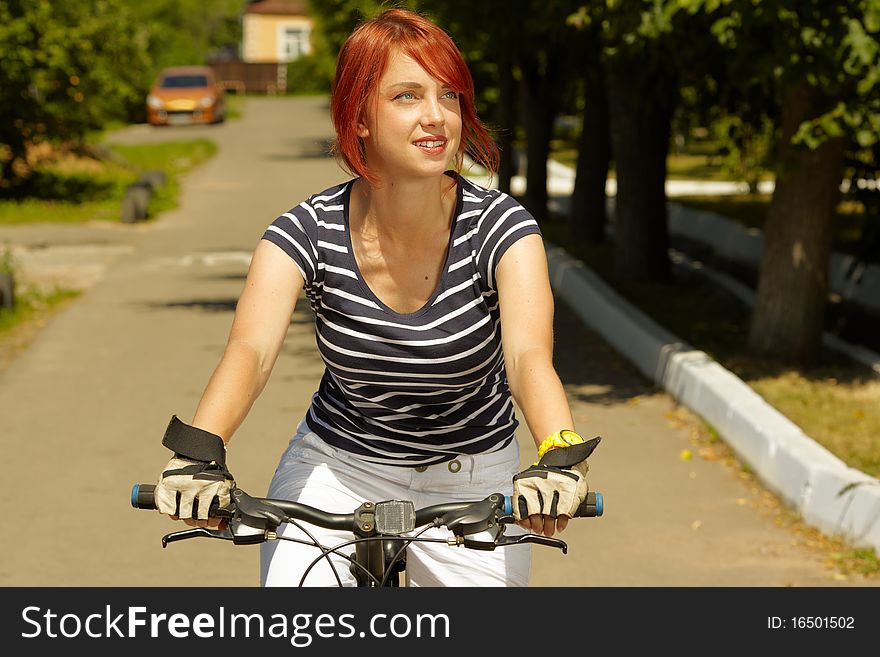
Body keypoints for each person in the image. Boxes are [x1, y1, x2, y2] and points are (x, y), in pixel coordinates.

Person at [153, 7, 598, 587]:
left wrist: (558, 455)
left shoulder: (503, 229)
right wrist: (199, 453)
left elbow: (528, 358)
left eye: (449, 96)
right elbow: (251, 352)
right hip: (338, 467)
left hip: (472, 477)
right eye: (407, 97)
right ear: (359, 117)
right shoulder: (303, 232)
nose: (436, 117)